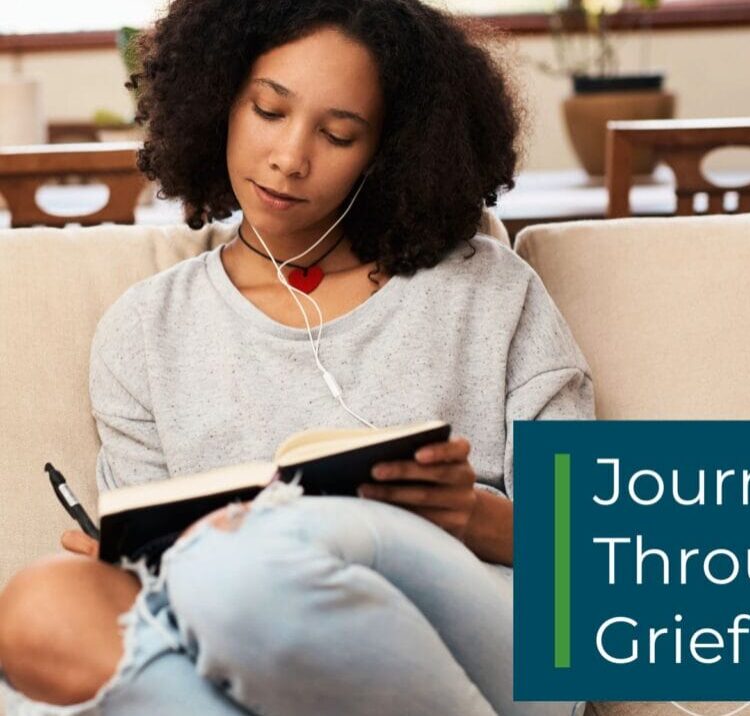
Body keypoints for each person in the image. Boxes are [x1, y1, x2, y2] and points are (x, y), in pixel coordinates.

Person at [0, 1, 594, 714]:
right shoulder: (144, 329)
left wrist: (470, 516)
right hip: (237, 637)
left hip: (485, 632)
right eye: (269, 111)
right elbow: (150, 567)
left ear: (388, 150)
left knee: (242, 557)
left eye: (338, 133)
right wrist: (128, 560)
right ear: (219, 100)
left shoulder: (485, 292)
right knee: (39, 607)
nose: (290, 157)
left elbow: (598, 552)